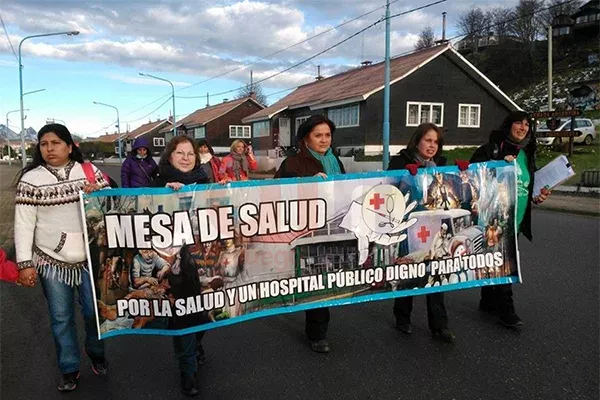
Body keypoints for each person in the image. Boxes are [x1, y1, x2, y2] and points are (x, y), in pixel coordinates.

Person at [13, 123, 110, 392]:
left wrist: (98, 196)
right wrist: (25, 263)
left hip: (90, 258)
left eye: (55, 143)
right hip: (51, 259)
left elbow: (115, 207)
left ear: (70, 146)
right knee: (60, 317)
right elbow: (23, 224)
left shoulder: (89, 172)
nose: (49, 148)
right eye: (44, 144)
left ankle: (96, 352)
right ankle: (69, 368)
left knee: (94, 313)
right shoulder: (31, 180)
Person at [470, 110, 550, 328]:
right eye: (519, 123)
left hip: (517, 218)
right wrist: (497, 164)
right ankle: (507, 311)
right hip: (496, 219)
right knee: (505, 263)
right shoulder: (493, 149)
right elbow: (472, 175)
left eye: (527, 124)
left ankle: (487, 301)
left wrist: (538, 195)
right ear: (508, 125)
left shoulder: (525, 154)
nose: (523, 127)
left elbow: (525, 185)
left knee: (494, 260)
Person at [274, 115, 345, 353]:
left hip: (332, 225)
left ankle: (318, 330)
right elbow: (275, 194)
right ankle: (316, 334)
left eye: (327, 135)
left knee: (326, 277)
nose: (324, 140)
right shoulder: (292, 164)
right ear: (306, 139)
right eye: (318, 135)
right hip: (305, 229)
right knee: (313, 277)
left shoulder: (336, 162)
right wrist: (306, 184)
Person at [387, 122, 456, 343]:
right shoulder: (400, 162)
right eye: (428, 140)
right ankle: (403, 317)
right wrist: (404, 178)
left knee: (437, 273)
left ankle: (440, 325)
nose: (432, 145)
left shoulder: (441, 166)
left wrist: (461, 174)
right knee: (408, 271)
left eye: (436, 141)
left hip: (435, 227)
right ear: (417, 141)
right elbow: (389, 190)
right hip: (409, 228)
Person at [154, 135, 209, 396]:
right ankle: (187, 371)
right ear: (170, 156)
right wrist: (164, 193)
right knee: (184, 318)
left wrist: (230, 190)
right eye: (180, 153)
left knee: (204, 313)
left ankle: (197, 344)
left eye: (191, 153)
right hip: (176, 263)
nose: (186, 158)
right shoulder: (156, 183)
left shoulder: (208, 183)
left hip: (203, 261)